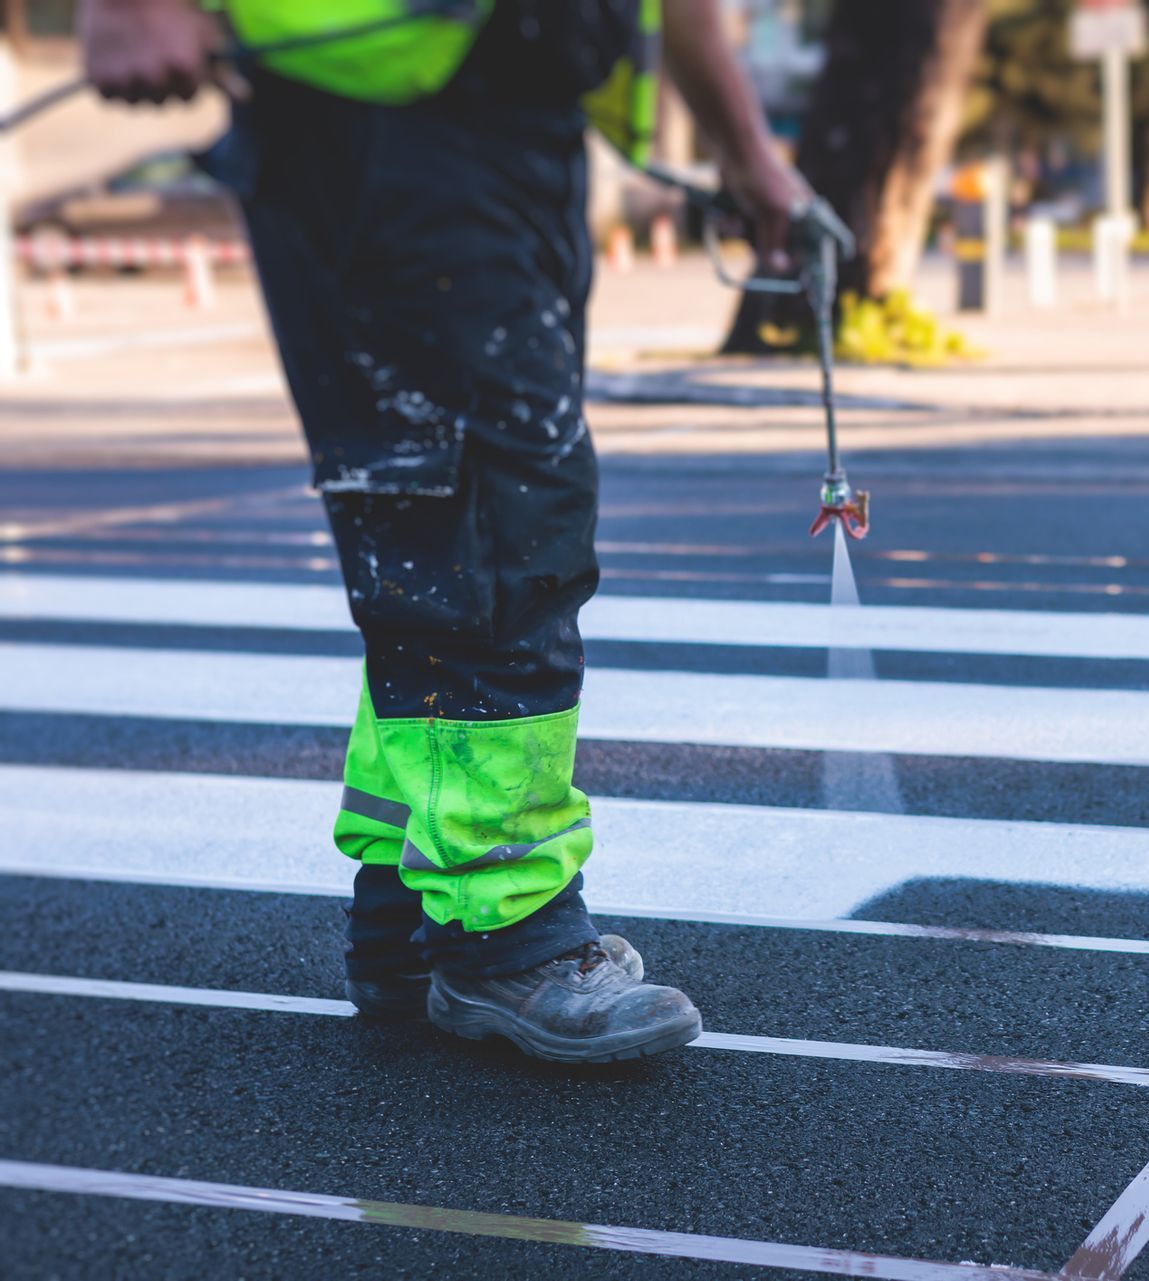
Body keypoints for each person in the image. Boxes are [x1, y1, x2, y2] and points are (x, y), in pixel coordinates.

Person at [78, 0, 809, 1063]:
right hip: (375, 96)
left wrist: (748, 148)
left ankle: (412, 913)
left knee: (444, 521)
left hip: (522, 112)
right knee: (494, 522)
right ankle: (506, 935)